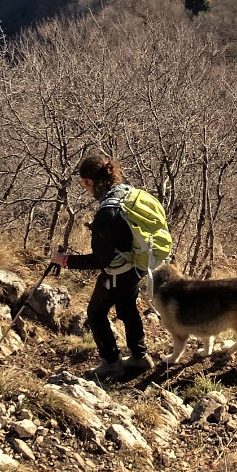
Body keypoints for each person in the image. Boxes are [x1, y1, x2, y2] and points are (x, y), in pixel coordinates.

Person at [51, 152, 154, 380]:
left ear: (89, 181)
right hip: (137, 264)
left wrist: (65, 261)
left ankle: (111, 362)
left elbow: (101, 260)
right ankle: (140, 357)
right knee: (127, 309)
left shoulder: (106, 212)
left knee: (96, 313)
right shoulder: (125, 191)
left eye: (83, 183)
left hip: (118, 270)